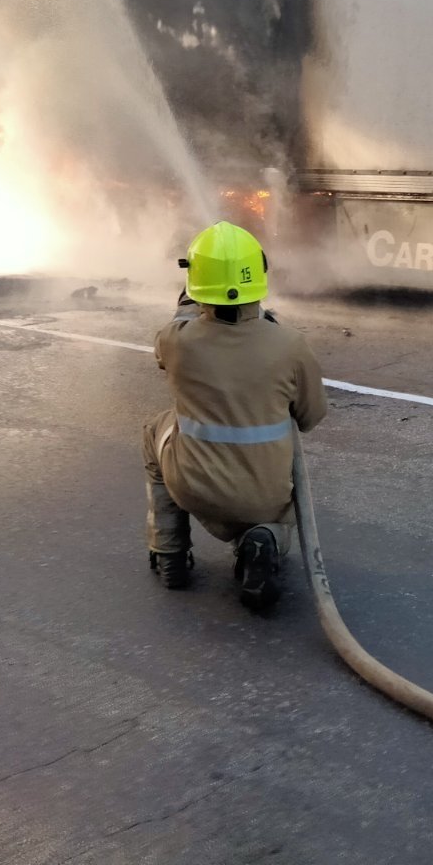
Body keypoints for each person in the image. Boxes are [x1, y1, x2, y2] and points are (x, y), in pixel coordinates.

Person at [141, 220, 327, 610]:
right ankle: (263, 538)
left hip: (192, 487)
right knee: (274, 518)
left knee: (154, 431)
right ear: (259, 274)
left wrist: (186, 309)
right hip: (263, 496)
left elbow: (166, 345)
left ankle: (169, 550)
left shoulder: (177, 342)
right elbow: (311, 417)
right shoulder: (290, 345)